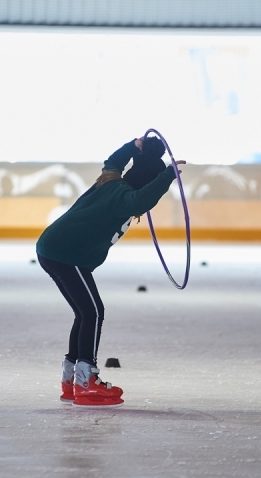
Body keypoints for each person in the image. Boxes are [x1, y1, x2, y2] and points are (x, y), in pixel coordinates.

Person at [36, 136, 184, 407]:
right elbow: (141, 200)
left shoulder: (111, 179)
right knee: (93, 312)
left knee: (84, 312)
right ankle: (86, 381)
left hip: (53, 249)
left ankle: (71, 380)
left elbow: (113, 162)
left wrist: (133, 146)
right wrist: (166, 177)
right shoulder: (123, 196)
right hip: (66, 255)